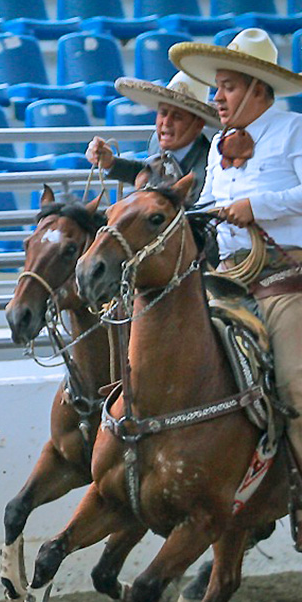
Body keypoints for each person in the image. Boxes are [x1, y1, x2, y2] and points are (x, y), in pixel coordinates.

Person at [171, 28, 302, 548]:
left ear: (257, 89)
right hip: (226, 278)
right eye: (217, 87)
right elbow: (204, 206)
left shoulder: (294, 131)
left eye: (225, 87)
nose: (215, 98)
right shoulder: (216, 150)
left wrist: (257, 207)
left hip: (282, 280)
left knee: (295, 385)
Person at [85, 71, 219, 204]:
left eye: (177, 117)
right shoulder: (156, 141)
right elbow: (148, 170)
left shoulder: (208, 167)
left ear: (198, 125)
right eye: (163, 113)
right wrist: (110, 163)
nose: (166, 122)